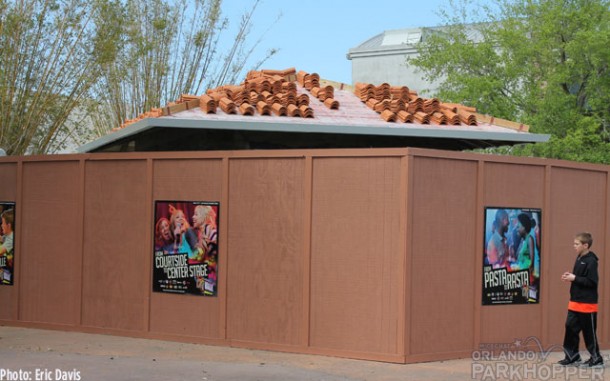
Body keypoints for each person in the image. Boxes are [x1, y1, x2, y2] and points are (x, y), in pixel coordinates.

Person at [558, 232, 603, 367]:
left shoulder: (592, 261)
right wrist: (570, 276)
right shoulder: (579, 257)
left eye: (576, 244)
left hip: (587, 304)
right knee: (570, 327)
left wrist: (574, 278)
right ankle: (572, 356)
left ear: (585, 245)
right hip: (575, 302)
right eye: (574, 243)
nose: (574, 246)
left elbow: (592, 282)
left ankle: (596, 358)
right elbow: (578, 278)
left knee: (589, 333)